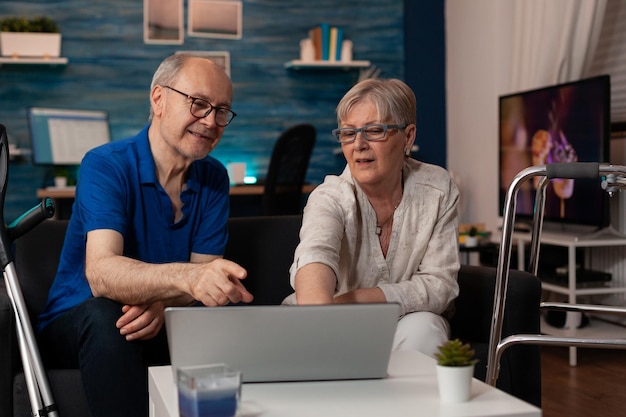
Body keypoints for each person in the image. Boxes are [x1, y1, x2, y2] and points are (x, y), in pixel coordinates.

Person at [37, 53, 253, 417]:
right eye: (199, 104)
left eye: (221, 111)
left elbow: (203, 285)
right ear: (158, 99)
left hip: (157, 321)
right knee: (108, 317)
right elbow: (102, 274)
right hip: (80, 321)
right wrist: (187, 279)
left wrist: (165, 302)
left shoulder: (213, 177)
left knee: (221, 321)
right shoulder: (105, 164)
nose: (211, 121)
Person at [283, 78, 460, 357]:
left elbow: (440, 286)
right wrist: (321, 313)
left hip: (401, 320)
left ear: (408, 137)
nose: (359, 145)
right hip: (323, 320)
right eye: (348, 133)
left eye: (374, 131)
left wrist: (349, 301)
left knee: (425, 328)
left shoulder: (437, 188)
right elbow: (316, 253)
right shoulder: (329, 196)